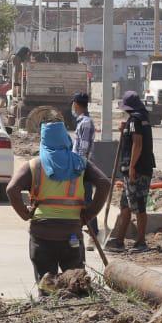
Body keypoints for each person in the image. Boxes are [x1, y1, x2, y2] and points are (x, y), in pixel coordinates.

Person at [7, 121, 110, 281]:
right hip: (71, 235)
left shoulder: (34, 166)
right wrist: (89, 214)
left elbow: (11, 189)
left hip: (42, 234)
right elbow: (104, 183)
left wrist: (25, 214)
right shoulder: (80, 163)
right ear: (65, 139)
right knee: (75, 285)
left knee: (46, 285)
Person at [104, 91, 156, 253]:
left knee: (139, 206)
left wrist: (132, 167)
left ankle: (141, 242)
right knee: (125, 206)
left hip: (137, 170)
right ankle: (119, 241)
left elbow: (138, 144)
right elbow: (133, 136)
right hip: (133, 169)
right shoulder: (139, 119)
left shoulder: (136, 120)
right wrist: (124, 129)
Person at [70, 91, 99, 238]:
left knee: (87, 199)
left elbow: (84, 149)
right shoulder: (82, 122)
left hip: (83, 168)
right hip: (80, 166)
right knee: (81, 199)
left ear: (76, 104)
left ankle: (93, 230)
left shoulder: (86, 123)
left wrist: (79, 168)